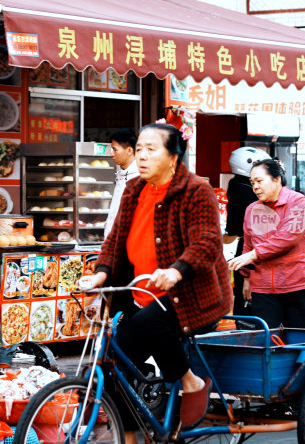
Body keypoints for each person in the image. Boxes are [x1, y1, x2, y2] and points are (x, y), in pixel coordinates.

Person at [79, 123, 232, 432]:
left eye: (151, 150)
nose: (143, 157)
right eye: (139, 150)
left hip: (190, 297)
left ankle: (190, 382)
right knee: (115, 365)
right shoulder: (134, 189)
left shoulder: (195, 190)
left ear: (173, 157)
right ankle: (133, 436)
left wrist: (177, 270)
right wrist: (101, 273)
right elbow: (115, 239)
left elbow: (206, 242)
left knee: (147, 322)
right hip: (142, 294)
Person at [227, 159, 305, 329]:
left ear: (276, 179)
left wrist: (253, 255)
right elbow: (248, 243)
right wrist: (246, 278)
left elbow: (288, 237)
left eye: (260, 181)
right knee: (267, 339)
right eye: (252, 183)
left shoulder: (298, 202)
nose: (255, 187)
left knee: (296, 338)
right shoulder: (251, 209)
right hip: (263, 287)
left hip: (296, 283)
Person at [224, 147, 270, 320]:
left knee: (246, 304)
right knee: (249, 304)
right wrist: (247, 276)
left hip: (246, 253)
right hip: (250, 255)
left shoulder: (237, 185)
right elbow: (253, 234)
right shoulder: (245, 190)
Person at [103, 128, 138, 239]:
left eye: (115, 149)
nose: (111, 154)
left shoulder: (139, 177)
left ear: (129, 150)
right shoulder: (121, 174)